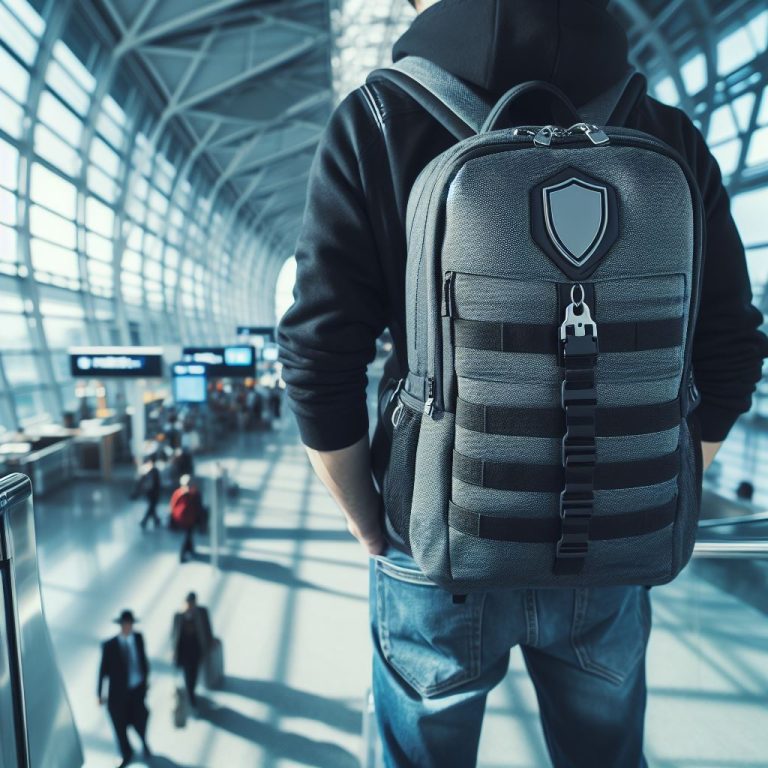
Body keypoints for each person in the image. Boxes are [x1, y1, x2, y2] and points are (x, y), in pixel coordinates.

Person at [276, 1, 768, 766]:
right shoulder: (665, 132)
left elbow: (317, 357)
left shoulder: (378, 118)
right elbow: (734, 349)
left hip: (437, 538)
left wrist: (373, 525)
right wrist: (640, 482)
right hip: (614, 542)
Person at [98, 610, 151, 768]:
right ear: (121, 625)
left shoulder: (138, 638)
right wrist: (99, 693)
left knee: (140, 718)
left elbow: (142, 659)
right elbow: (103, 671)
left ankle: (143, 741)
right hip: (118, 693)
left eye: (130, 624)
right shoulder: (110, 646)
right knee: (120, 725)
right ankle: (126, 752)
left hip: (136, 690)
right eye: (126, 624)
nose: (128, 627)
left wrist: (145, 680)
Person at [171, 592, 213, 708]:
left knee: (193, 674)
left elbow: (207, 630)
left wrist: (208, 646)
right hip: (184, 651)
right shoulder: (179, 616)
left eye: (192, 603)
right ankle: (191, 697)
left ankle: (191, 693)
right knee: (187, 674)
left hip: (196, 650)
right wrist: (174, 651)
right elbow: (174, 634)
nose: (190, 605)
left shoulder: (201, 613)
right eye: (188, 603)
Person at [170, 474, 202, 562]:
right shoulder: (187, 494)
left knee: (189, 535)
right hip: (186, 519)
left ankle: (190, 550)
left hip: (187, 519)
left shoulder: (184, 493)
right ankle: (183, 554)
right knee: (187, 536)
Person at [139, 455, 161, 530]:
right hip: (153, 492)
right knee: (152, 507)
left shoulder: (149, 470)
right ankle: (145, 521)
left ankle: (155, 520)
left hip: (150, 492)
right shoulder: (154, 471)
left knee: (152, 507)